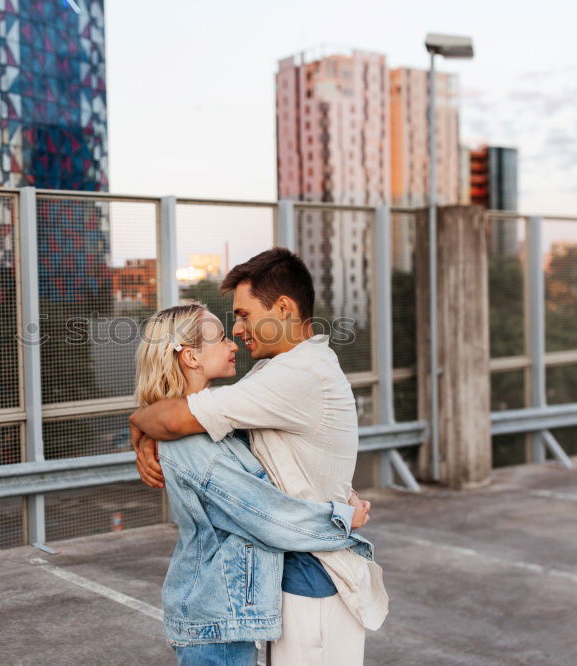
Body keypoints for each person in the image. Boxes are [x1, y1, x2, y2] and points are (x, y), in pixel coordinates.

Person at [131, 248, 388, 666]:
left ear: (283, 308)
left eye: (244, 315)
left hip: (313, 573)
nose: (238, 329)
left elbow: (182, 424)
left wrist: (139, 426)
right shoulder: (272, 372)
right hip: (282, 577)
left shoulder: (296, 374)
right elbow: (247, 487)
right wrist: (145, 432)